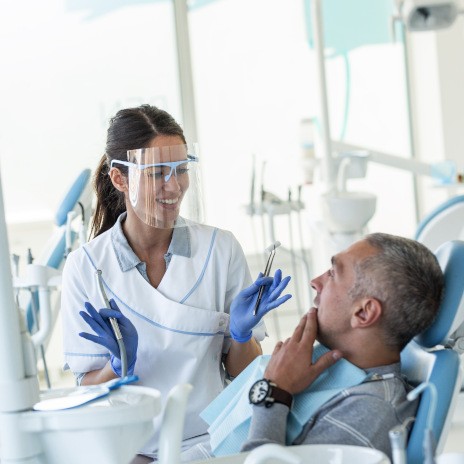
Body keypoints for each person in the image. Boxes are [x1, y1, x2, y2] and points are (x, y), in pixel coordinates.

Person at [60, 104, 291, 462]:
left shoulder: (220, 249)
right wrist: (117, 367)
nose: (174, 185)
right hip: (129, 447)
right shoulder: (85, 266)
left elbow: (243, 372)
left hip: (213, 443)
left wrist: (242, 337)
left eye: (181, 170)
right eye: (156, 173)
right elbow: (86, 390)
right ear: (120, 179)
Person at [207, 233, 443, 461]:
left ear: (363, 312)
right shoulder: (340, 372)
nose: (315, 282)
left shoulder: (367, 414)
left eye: (332, 273)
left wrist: (274, 393)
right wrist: (241, 337)